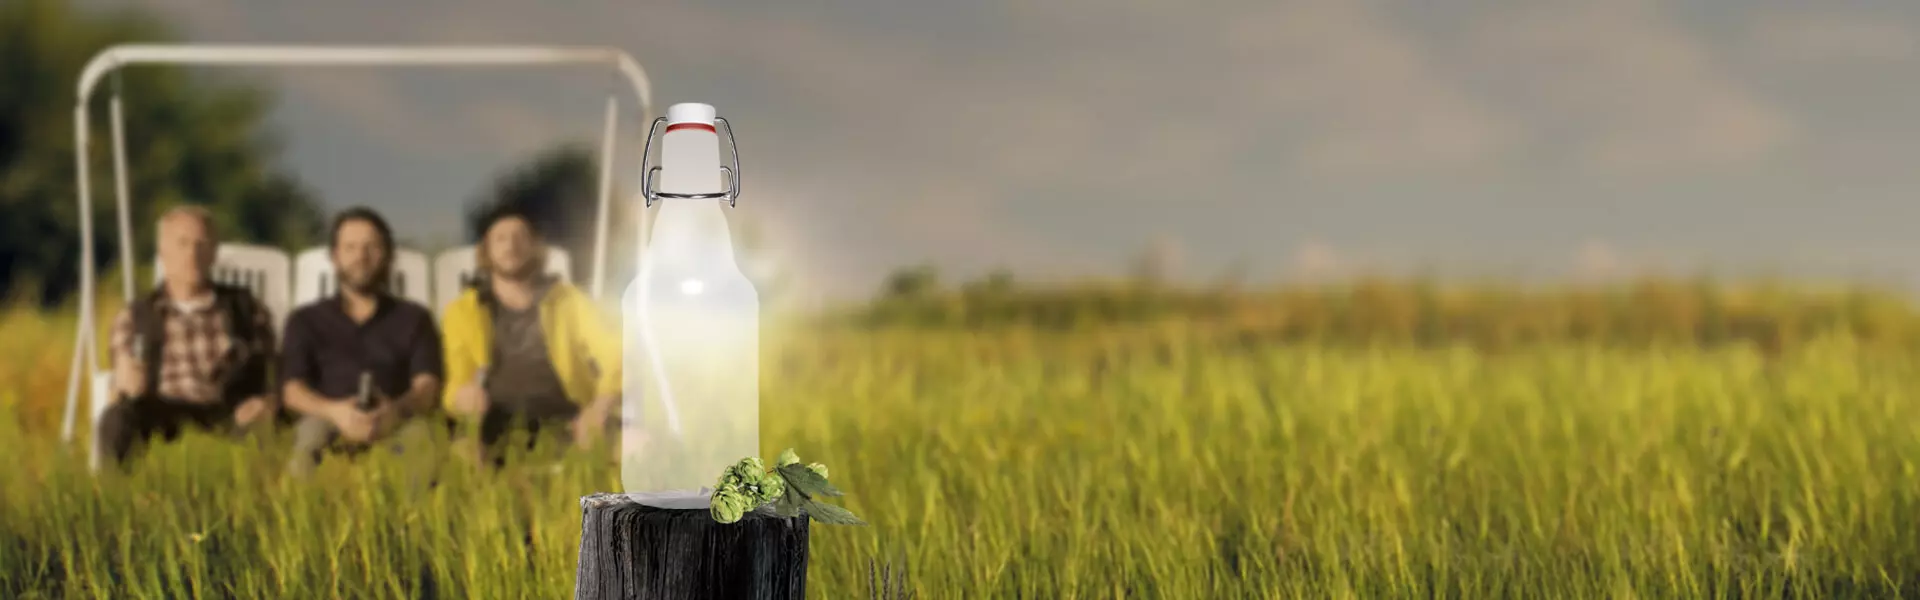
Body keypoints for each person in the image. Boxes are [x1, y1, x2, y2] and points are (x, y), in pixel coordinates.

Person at [98, 206, 278, 469]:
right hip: (162, 407)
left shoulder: (245, 309)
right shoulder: (138, 315)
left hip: (228, 407)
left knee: (258, 428)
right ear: (163, 252)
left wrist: (266, 401)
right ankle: (112, 496)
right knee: (117, 418)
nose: (191, 254)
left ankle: (248, 505)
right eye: (182, 244)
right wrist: (127, 378)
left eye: (201, 244)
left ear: (214, 253)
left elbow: (275, 368)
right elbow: (122, 366)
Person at [440, 208, 621, 466]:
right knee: (461, 457)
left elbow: (617, 354)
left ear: (536, 247)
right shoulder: (462, 311)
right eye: (500, 239)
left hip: (568, 418)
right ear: (485, 251)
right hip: (494, 423)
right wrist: (463, 398)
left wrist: (600, 407)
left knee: (637, 445)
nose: (511, 245)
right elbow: (455, 384)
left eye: (520, 237)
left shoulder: (569, 301)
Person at [280, 207, 443, 476]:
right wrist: (335, 412)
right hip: (326, 416)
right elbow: (292, 390)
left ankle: (413, 518)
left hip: (397, 416)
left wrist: (395, 411)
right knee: (307, 444)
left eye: (371, 247)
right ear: (335, 256)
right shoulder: (305, 320)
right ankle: (301, 516)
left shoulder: (414, 318)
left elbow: (427, 385)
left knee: (421, 444)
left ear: (388, 255)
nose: (361, 257)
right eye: (350, 247)